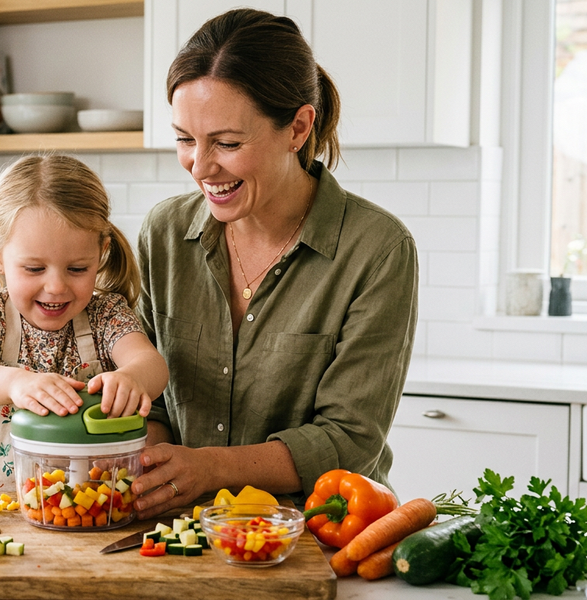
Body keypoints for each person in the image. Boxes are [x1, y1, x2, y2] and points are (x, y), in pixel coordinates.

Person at [132, 8, 418, 519]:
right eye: (184, 139)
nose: (200, 166)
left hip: (318, 531)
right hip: (184, 527)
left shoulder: (376, 249)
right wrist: (157, 472)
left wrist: (211, 468)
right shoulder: (165, 234)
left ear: (298, 127)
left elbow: (350, 439)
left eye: (227, 143)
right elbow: (148, 398)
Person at [0, 154, 169, 492]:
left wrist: (131, 379)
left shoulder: (106, 315)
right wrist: (15, 383)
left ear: (101, 253)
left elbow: (152, 365)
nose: (56, 286)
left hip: (88, 510)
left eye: (77, 269)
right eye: (34, 269)